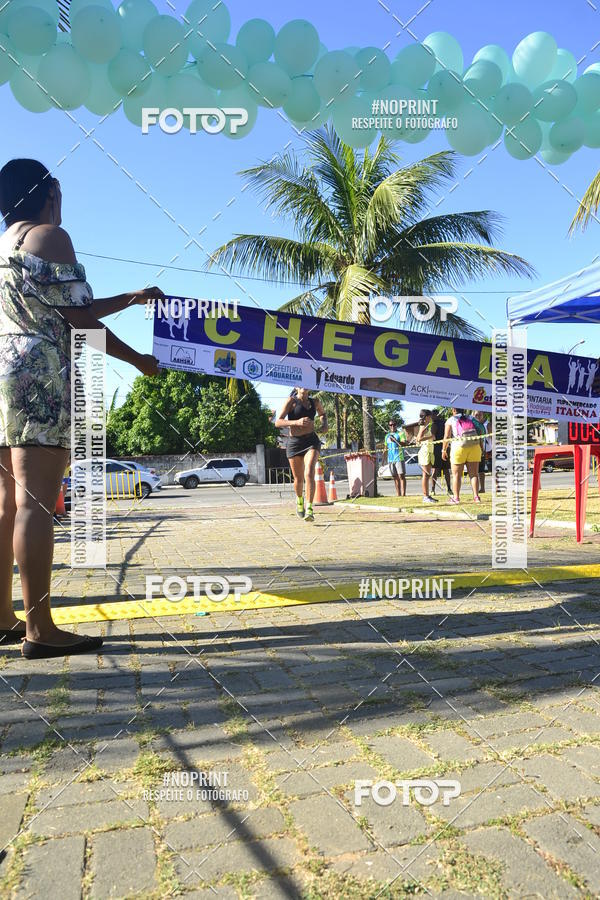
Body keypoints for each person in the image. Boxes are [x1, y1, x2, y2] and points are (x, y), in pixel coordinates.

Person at [0, 159, 163, 658]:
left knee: (5, 502)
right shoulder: (48, 235)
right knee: (36, 504)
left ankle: (3, 618)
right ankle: (40, 629)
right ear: (49, 192)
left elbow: (61, 305)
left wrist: (128, 299)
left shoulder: (4, 246)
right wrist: (137, 359)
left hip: (2, 372)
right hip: (39, 377)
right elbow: (78, 322)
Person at [275, 387, 327, 522]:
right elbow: (278, 422)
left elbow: (323, 414)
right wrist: (296, 422)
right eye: (301, 384)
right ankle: (299, 501)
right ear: (297, 387)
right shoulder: (291, 402)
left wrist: (324, 424)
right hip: (295, 443)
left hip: (311, 441)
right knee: (298, 479)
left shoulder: (315, 402)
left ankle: (309, 509)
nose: (304, 386)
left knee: (309, 472)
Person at [442, 407, 482, 504]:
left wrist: (443, 450)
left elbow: (447, 436)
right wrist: (481, 446)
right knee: (474, 474)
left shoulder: (451, 420)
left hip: (459, 447)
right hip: (474, 446)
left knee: (456, 475)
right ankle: (476, 497)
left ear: (454, 410)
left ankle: (456, 498)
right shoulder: (472, 418)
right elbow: (480, 431)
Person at [416, 409, 437, 504]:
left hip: (429, 451)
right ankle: (425, 496)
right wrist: (431, 437)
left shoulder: (428, 426)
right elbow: (418, 439)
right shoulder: (423, 426)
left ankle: (427, 495)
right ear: (427, 417)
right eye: (431, 416)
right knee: (426, 475)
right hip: (425, 452)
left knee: (428, 475)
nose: (432, 418)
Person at [384, 418, 408, 497]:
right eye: (391, 425)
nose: (392, 426)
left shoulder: (401, 433)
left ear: (396, 425)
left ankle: (403, 495)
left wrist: (395, 441)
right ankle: (398, 494)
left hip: (399, 457)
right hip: (390, 459)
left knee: (401, 475)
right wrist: (383, 460)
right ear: (389, 426)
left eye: (394, 425)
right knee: (395, 477)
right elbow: (385, 448)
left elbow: (404, 444)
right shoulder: (387, 436)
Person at [430, 409, 451, 495]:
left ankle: (432, 490)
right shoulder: (445, 422)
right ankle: (449, 489)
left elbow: (432, 437)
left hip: (437, 448)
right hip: (445, 447)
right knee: (446, 470)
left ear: (436, 415)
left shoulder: (434, 424)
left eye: (432, 415)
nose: (431, 417)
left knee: (435, 470)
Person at [473, 410, 491, 493]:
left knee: (491, 469)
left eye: (479, 415)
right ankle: (478, 489)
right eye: (476, 415)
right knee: (476, 470)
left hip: (487, 449)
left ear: (483, 415)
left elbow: (492, 437)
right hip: (476, 449)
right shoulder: (472, 424)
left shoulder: (487, 424)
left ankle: (497, 487)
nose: (478, 416)